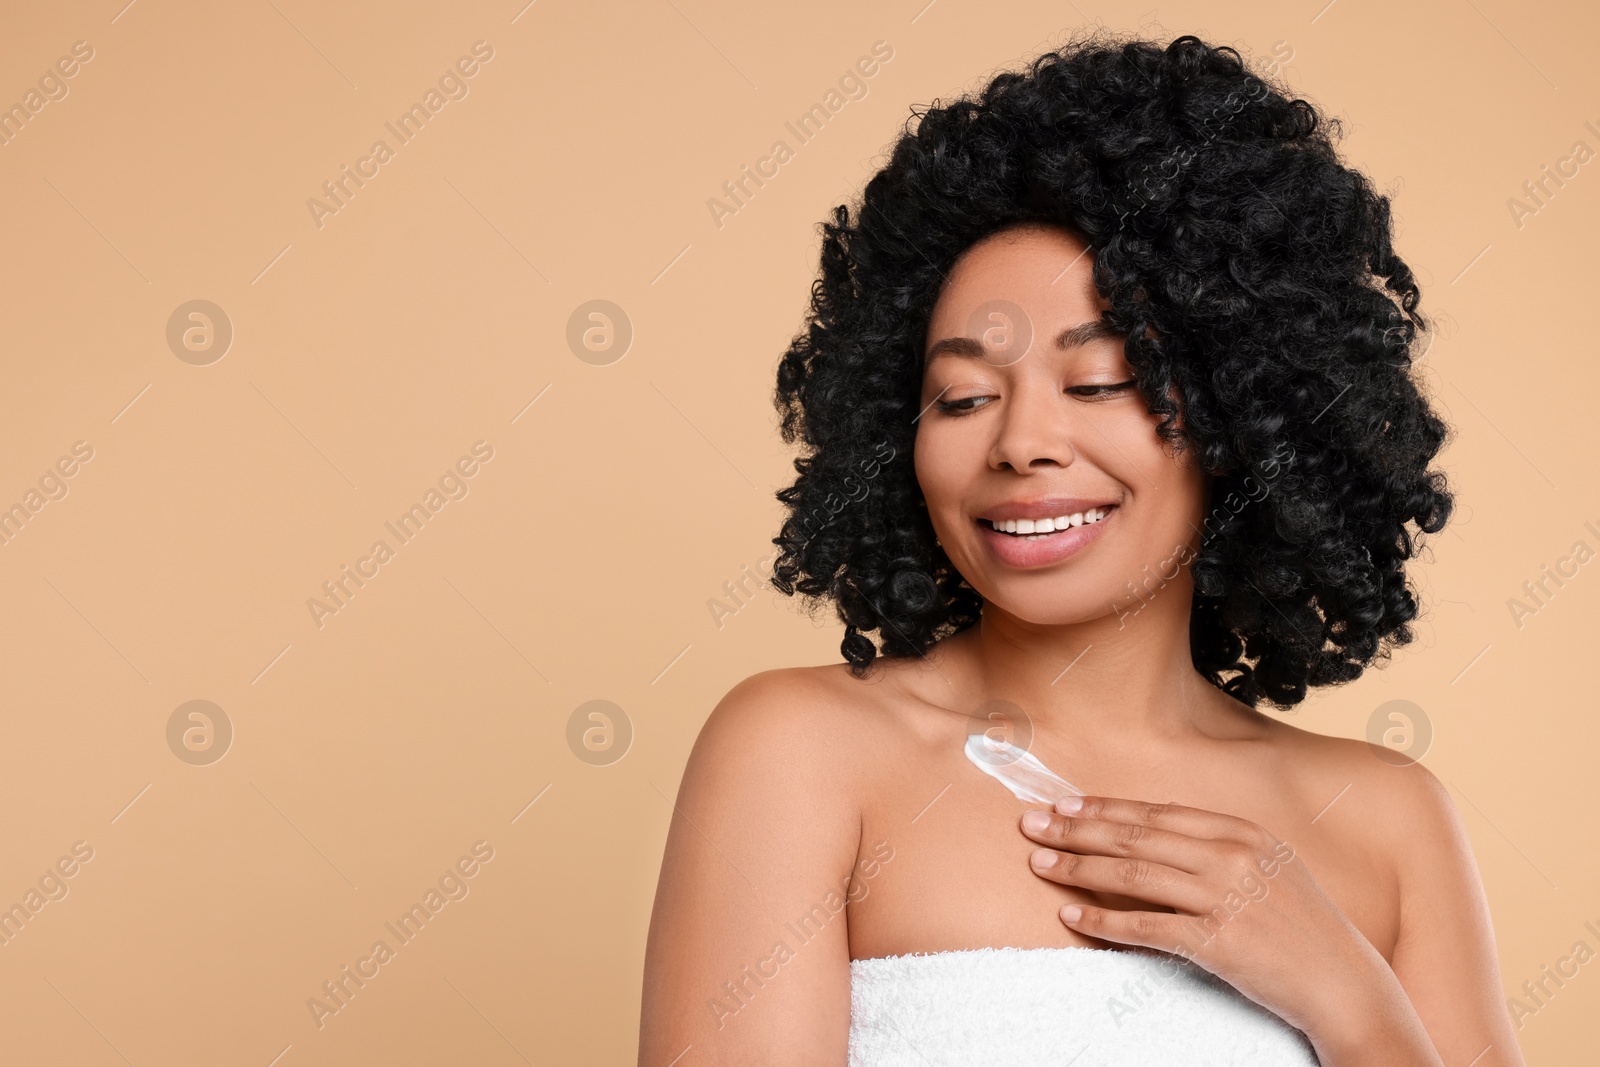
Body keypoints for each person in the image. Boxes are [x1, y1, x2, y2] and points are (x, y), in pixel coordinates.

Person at [639, 30, 1524, 1066]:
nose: (1017, 443)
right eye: (961, 396)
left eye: (1098, 381)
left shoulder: (1384, 821)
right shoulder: (799, 752)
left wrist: (1345, 994)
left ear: (1244, 414)